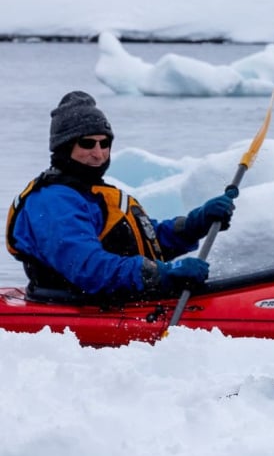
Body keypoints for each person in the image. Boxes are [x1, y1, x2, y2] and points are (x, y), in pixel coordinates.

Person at [6, 91, 236, 301]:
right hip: (78, 307)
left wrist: (193, 225)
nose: (98, 154)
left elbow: (143, 241)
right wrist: (164, 273)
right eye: (87, 144)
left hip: (122, 301)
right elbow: (89, 268)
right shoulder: (52, 201)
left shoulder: (93, 193)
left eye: (104, 143)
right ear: (65, 147)